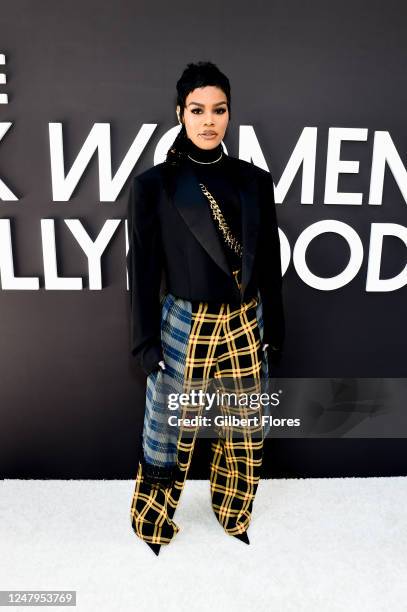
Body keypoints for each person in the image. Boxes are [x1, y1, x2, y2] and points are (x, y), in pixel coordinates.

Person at [126, 61, 285, 555]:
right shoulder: (154, 185)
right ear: (179, 112)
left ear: (230, 115)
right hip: (184, 322)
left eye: (218, 110)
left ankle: (234, 511)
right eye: (197, 109)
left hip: (245, 319)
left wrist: (274, 330)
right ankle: (153, 520)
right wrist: (147, 343)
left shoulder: (255, 180)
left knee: (244, 427)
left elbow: (270, 266)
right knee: (167, 428)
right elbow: (144, 273)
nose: (208, 120)